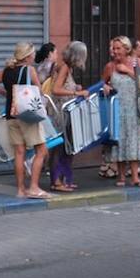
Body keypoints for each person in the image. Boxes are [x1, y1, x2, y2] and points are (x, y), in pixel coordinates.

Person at [0, 41, 50, 199]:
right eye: (32, 53)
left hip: (11, 115)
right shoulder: (30, 70)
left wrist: (5, 93)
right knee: (41, 150)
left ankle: (20, 190)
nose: (34, 56)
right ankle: (33, 187)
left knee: (19, 153)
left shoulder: (6, 71)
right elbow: (39, 91)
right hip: (28, 116)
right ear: (27, 56)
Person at [102, 35, 140, 188]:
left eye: (118, 48)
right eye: (114, 48)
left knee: (134, 141)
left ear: (127, 49)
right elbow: (102, 84)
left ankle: (135, 177)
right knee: (120, 142)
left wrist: (128, 71)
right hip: (117, 110)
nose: (115, 51)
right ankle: (121, 177)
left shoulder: (137, 63)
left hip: (134, 108)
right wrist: (105, 87)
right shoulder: (110, 66)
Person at [46, 40, 89, 192]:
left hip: (63, 112)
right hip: (61, 114)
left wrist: (74, 87)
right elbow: (56, 89)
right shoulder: (64, 68)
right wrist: (76, 92)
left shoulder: (65, 67)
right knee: (60, 148)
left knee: (66, 148)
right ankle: (56, 182)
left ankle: (63, 180)